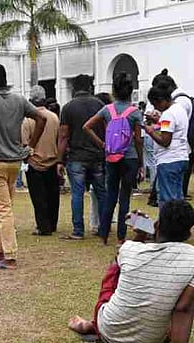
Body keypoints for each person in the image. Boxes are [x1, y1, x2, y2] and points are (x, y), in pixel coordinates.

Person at [67, 200, 194, 343]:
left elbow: (123, 260)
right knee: (189, 300)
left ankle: (94, 325)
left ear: (157, 225)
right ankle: (95, 325)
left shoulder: (129, 249)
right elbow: (183, 309)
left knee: (116, 268)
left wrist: (140, 233)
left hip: (108, 330)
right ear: (189, 234)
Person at [0, 63, 48, 269]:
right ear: (6, 80)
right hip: (15, 162)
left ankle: (10, 256)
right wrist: (30, 147)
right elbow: (42, 118)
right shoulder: (19, 99)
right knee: (4, 208)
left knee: (3, 210)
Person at [83, 73, 144, 244]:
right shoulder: (135, 112)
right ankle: (121, 237)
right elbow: (138, 139)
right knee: (125, 197)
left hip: (111, 156)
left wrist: (102, 144)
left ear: (114, 91)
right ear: (130, 91)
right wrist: (141, 161)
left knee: (110, 195)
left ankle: (103, 235)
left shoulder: (107, 110)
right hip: (129, 157)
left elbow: (86, 127)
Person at [58, 74, 106, 240]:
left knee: (77, 194)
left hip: (76, 156)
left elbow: (64, 136)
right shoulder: (100, 105)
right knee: (101, 193)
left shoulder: (68, 107)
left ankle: (78, 230)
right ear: (90, 87)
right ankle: (103, 227)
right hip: (97, 155)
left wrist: (59, 160)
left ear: (74, 88)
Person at [21, 86, 61, 237]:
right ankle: (53, 223)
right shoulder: (54, 117)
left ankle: (43, 226)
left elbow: (24, 143)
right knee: (53, 195)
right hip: (52, 161)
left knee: (38, 198)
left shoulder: (27, 120)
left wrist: (26, 158)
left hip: (34, 162)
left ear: (30, 100)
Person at [143, 85, 189, 206]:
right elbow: (172, 127)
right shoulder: (179, 109)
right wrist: (158, 122)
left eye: (155, 104)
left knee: (167, 199)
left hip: (169, 160)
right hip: (181, 157)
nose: (155, 108)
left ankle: (168, 218)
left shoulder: (167, 114)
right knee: (178, 198)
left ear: (162, 100)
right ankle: (178, 218)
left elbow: (165, 141)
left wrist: (150, 131)